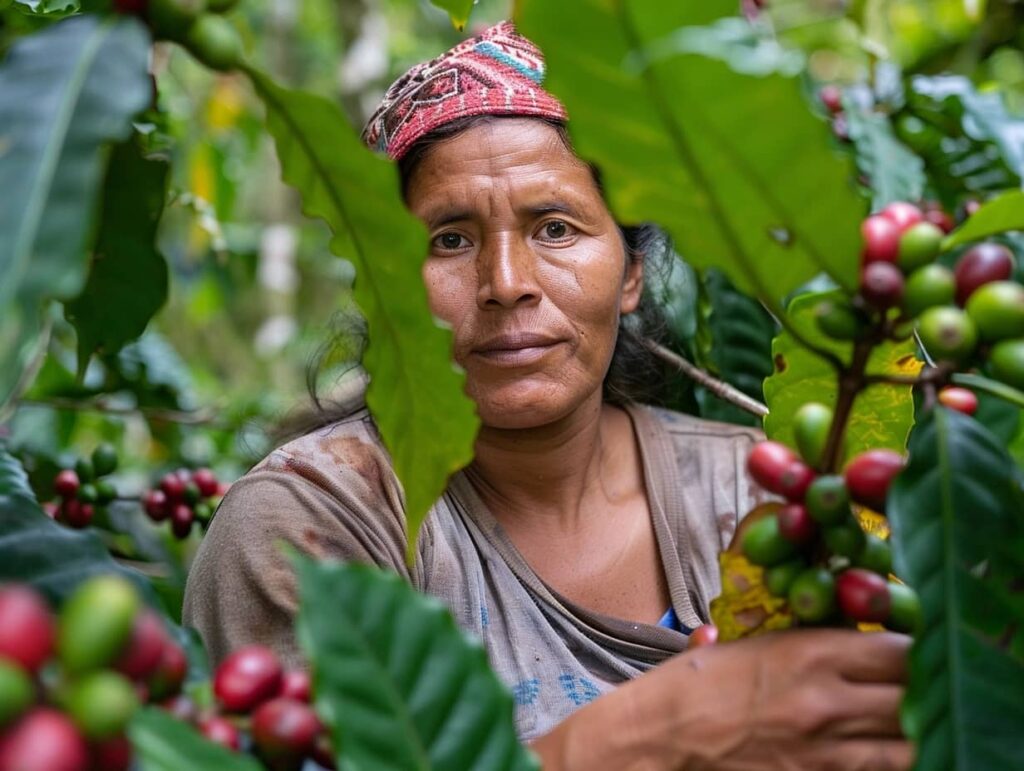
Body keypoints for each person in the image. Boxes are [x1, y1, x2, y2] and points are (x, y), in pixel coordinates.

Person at [184, 21, 911, 770]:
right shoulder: (307, 529)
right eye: (450, 240)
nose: (506, 283)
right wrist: (654, 733)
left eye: (555, 228)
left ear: (630, 273)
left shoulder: (756, 494)